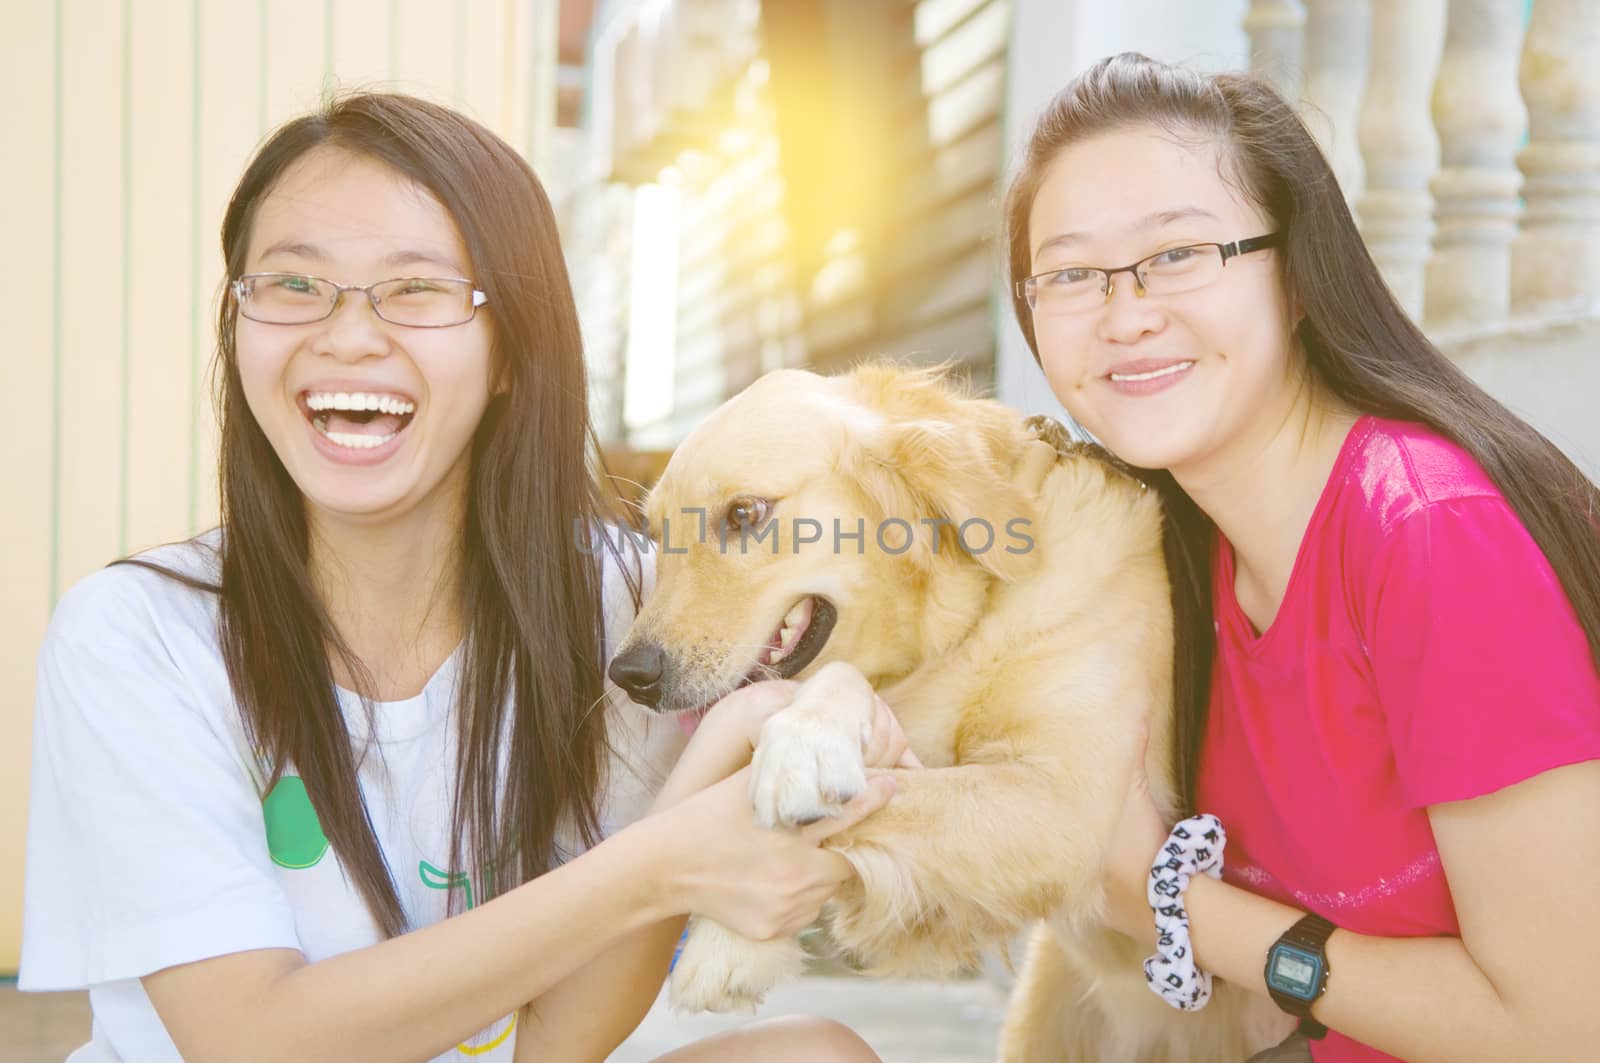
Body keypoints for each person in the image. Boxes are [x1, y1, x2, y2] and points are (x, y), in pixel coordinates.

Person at [19, 92, 906, 1063]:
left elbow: (551, 1047)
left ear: (512, 351)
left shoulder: (628, 602)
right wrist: (663, 861)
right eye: (292, 284)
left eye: (416, 290)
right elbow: (249, 1042)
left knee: (811, 1054)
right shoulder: (138, 633)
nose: (348, 336)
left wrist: (721, 753)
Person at [1003, 53, 1600, 1062]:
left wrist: (1169, 903)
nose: (1125, 312)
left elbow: (1565, 1027)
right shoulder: (1182, 553)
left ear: (1298, 275)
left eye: (1179, 253)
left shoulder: (1428, 532)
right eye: (1070, 274)